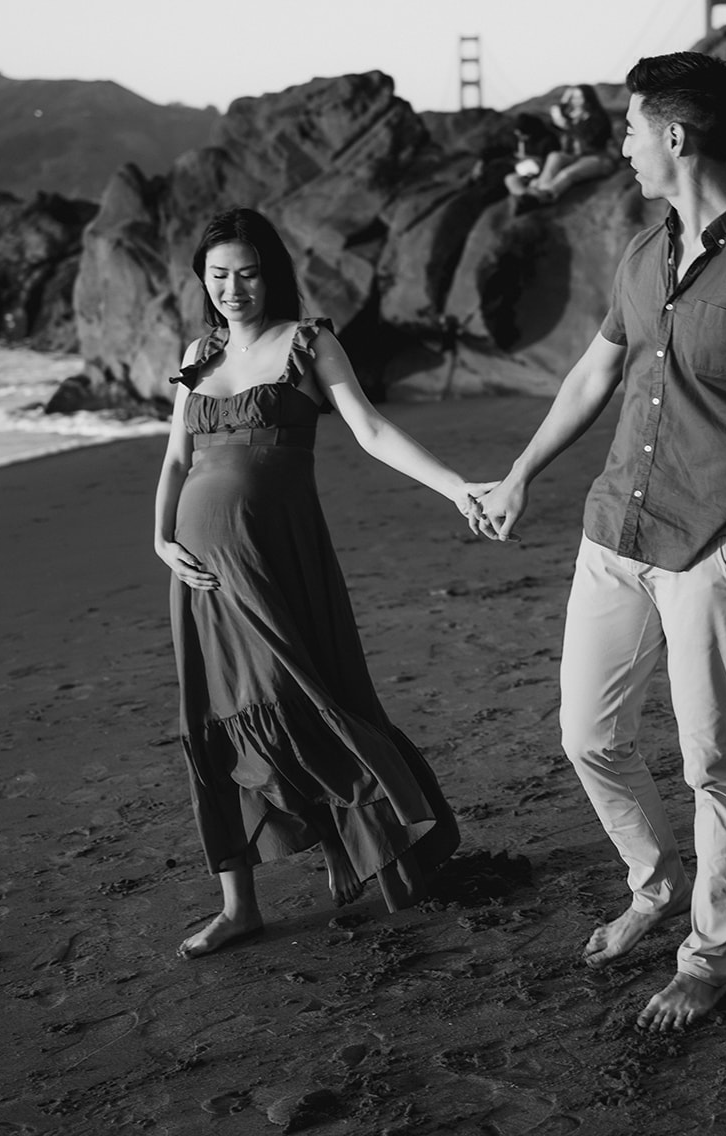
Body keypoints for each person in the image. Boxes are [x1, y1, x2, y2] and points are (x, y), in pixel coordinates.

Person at [474, 51, 726, 1031]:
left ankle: (706, 955)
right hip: (613, 529)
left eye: (627, 127)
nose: (618, 142)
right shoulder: (641, 250)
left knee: (713, 765)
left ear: (675, 136)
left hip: (711, 549)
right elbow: (590, 377)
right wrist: (520, 472)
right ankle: (651, 879)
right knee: (586, 735)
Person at [154, 207, 483, 958]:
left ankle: (349, 835)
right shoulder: (197, 354)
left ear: (270, 272)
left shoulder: (307, 342)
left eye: (245, 272)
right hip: (200, 570)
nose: (232, 288)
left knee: (302, 698)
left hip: (276, 557)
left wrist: (455, 486)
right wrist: (159, 537)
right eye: (216, 275)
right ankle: (238, 905)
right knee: (215, 717)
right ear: (202, 282)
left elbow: (370, 430)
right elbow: (177, 460)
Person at [530, 83, 617, 203]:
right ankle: (540, 190)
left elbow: (591, 140)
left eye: (579, 97)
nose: (575, 101)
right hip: (577, 157)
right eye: (573, 98)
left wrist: (569, 125)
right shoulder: (574, 118)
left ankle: (547, 194)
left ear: (588, 98)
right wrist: (565, 100)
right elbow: (555, 121)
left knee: (567, 173)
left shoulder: (598, 117)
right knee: (554, 156)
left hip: (598, 158)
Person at [502, 112, 561, 212]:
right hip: (530, 173)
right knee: (510, 178)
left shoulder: (548, 139)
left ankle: (537, 197)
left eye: (521, 134)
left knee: (535, 182)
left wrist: (532, 160)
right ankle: (524, 197)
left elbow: (552, 160)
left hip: (545, 171)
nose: (520, 137)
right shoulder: (524, 143)